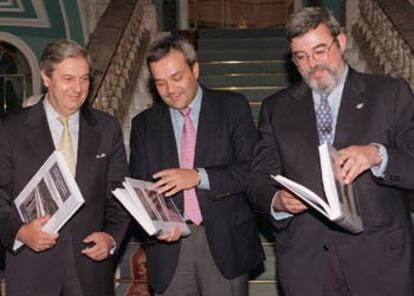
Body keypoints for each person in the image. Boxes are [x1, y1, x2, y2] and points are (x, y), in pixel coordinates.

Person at [247, 7, 414, 296]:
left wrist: (378, 155)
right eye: (301, 57)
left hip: (380, 261)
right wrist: (278, 201)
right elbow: (257, 179)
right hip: (306, 264)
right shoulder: (277, 108)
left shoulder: (390, 93)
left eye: (320, 50)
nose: (313, 64)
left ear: (342, 42)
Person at [129, 35, 264, 296]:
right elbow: (141, 187)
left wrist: (198, 176)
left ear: (195, 69)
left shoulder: (232, 107)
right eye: (160, 83)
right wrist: (157, 224)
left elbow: (251, 170)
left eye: (177, 77)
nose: (170, 89)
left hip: (225, 244)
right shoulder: (143, 124)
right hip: (169, 250)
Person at [0, 39, 130, 296]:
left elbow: (119, 195)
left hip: (91, 271)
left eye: (84, 79)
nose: (78, 89)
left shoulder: (107, 129)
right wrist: (21, 232)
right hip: (31, 269)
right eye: (68, 79)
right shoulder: (9, 130)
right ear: (46, 77)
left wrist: (111, 237)